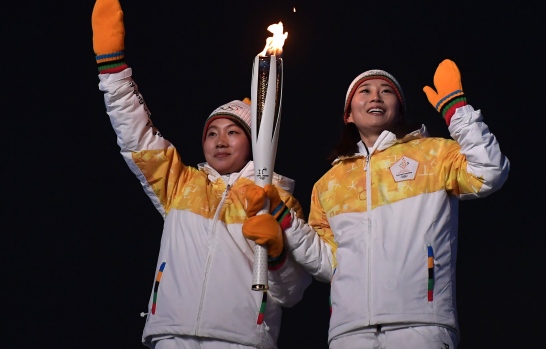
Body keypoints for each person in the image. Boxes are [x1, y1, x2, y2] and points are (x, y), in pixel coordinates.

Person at [242, 61, 510, 348]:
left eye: (386, 91)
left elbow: (490, 171)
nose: (375, 97)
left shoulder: (434, 154)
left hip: (421, 323)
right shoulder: (329, 184)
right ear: (348, 114)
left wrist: (456, 110)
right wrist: (284, 220)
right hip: (350, 331)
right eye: (365, 91)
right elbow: (327, 263)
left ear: (399, 110)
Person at [91, 0, 312, 348]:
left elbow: (291, 292)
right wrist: (112, 71)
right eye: (212, 133)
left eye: (233, 132)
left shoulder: (277, 199)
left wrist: (277, 256)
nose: (220, 141)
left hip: (239, 340)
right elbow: (137, 136)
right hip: (171, 335)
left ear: (253, 142)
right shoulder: (182, 185)